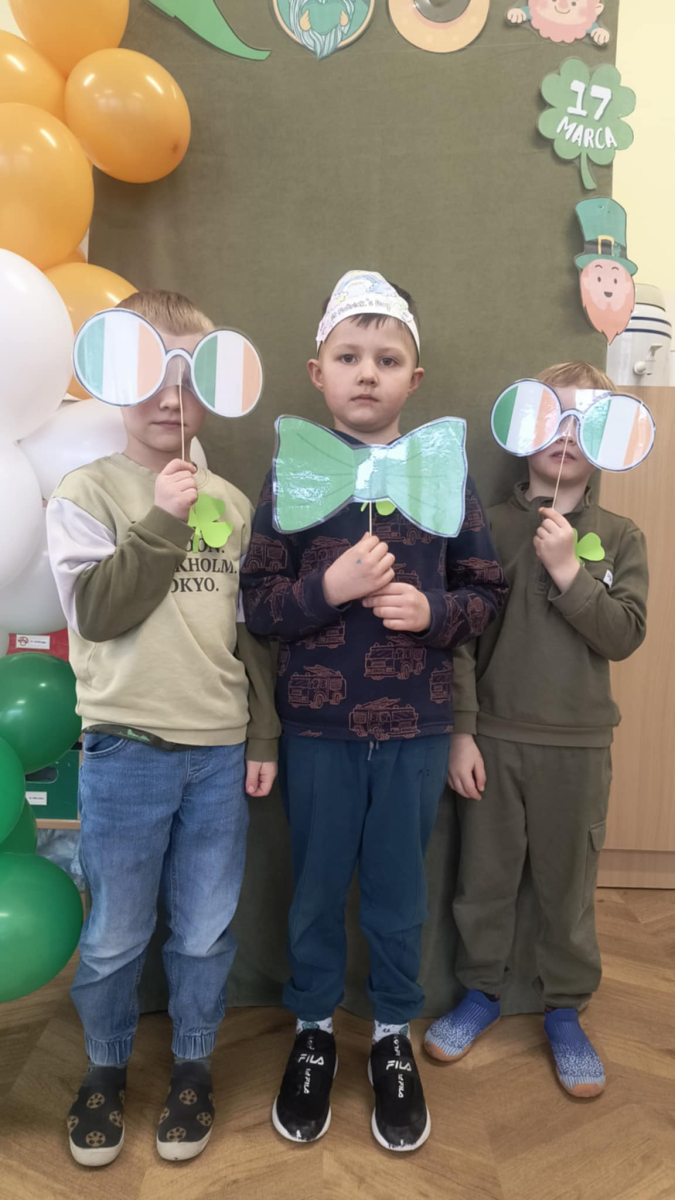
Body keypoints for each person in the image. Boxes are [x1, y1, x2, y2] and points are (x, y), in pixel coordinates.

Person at [241, 270, 508, 1151]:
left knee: (399, 893)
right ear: (316, 372)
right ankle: (313, 1031)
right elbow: (258, 605)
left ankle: (392, 1032)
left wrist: (433, 613)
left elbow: (486, 592)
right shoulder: (290, 474)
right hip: (314, 733)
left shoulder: (446, 475)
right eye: (349, 356)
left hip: (416, 731)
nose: (367, 372)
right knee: (315, 890)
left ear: (413, 380)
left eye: (387, 359)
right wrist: (327, 588)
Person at [47, 290, 279, 1167]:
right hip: (126, 749)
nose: (170, 396)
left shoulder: (232, 503)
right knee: (114, 934)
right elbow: (99, 613)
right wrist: (162, 519)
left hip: (218, 751)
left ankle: (192, 1066)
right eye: (149, 371)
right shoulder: (85, 492)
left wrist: (261, 736)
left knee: (205, 929)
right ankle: (104, 1069)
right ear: (117, 379)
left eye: (191, 374)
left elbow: (246, 636)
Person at [425, 361, 648, 1098]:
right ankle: (482, 991)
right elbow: (460, 640)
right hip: (492, 740)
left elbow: (623, 634)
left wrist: (569, 572)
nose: (567, 434)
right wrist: (462, 732)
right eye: (553, 416)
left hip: (577, 748)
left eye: (587, 421)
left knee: (566, 885)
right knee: (482, 880)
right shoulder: (485, 526)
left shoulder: (621, 536)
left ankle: (563, 1009)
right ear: (524, 429)